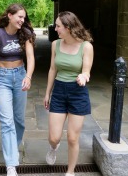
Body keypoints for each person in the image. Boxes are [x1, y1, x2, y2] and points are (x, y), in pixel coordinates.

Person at [0, 3, 36, 176]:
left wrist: (28, 77)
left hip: (20, 76)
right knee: (7, 122)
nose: (22, 20)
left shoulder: (26, 33)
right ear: (9, 15)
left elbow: (30, 58)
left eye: (24, 17)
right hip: (2, 78)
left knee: (19, 120)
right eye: (19, 17)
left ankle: (13, 147)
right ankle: (10, 164)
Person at [44, 11, 94, 176]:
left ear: (68, 27)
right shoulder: (55, 44)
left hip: (77, 93)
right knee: (54, 138)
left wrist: (82, 76)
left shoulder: (86, 46)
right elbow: (53, 69)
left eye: (58, 26)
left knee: (73, 138)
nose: (55, 29)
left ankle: (70, 171)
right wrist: (47, 93)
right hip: (59, 91)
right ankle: (53, 148)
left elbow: (86, 72)